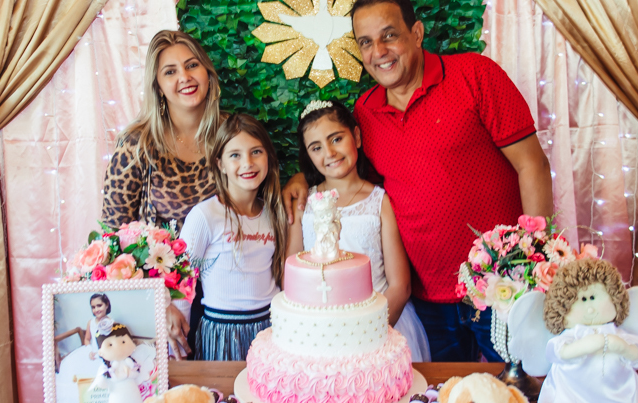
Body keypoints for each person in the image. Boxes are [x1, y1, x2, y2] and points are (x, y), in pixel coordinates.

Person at [283, 0, 552, 363]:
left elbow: (532, 164)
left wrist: (533, 261)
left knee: (521, 385)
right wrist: (302, 179)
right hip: (427, 301)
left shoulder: (475, 75)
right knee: (442, 396)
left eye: (389, 35)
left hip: (500, 286)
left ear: (417, 33)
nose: (378, 52)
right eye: (365, 43)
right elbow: (340, 168)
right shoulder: (365, 113)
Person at [101, 30, 224, 355]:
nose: (185, 77)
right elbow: (112, 241)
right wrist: (159, 303)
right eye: (170, 71)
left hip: (227, 300)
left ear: (207, 72)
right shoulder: (137, 144)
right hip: (165, 304)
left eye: (192, 65)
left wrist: (297, 181)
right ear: (157, 85)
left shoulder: (231, 135)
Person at [288, 98, 431, 361]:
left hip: (380, 326)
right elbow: (292, 273)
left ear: (356, 136)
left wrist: (365, 334)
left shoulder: (380, 201)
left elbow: (400, 285)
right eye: (316, 147)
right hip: (319, 333)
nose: (329, 153)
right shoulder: (303, 204)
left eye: (336, 139)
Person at [180, 113, 287, 361]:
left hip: (271, 330)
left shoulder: (275, 213)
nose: (247, 163)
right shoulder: (205, 215)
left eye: (256, 152)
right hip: (222, 331)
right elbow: (182, 279)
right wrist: (179, 339)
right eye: (235, 155)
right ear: (220, 164)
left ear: (269, 157)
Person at [53, 293, 115, 369]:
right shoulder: (91, 322)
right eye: (93, 307)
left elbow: (114, 342)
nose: (96, 310)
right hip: (93, 353)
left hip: (107, 354)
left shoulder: (112, 323)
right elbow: (87, 339)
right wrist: (89, 350)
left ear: (107, 305)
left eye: (99, 306)